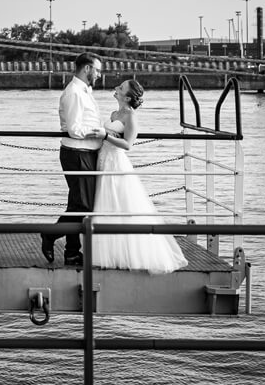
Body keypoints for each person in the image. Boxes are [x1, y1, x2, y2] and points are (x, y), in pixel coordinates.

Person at [92, 79, 188, 273]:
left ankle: (126, 253)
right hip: (102, 159)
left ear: (127, 97)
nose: (116, 88)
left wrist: (104, 136)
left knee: (119, 204)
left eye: (120, 88)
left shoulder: (131, 116)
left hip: (116, 163)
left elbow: (128, 145)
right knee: (104, 203)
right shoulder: (113, 113)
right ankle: (107, 249)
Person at [42, 53, 104, 267]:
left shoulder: (86, 91)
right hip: (77, 153)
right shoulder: (74, 93)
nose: (99, 74)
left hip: (86, 153)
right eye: (97, 70)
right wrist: (101, 132)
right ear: (87, 68)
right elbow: (75, 129)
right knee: (83, 206)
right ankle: (49, 235)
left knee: (77, 204)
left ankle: (71, 252)